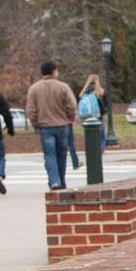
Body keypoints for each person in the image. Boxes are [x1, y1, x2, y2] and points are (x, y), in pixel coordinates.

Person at [25, 61, 79, 190]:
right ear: (54, 71)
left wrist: (35, 124)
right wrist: (70, 119)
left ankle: (54, 181)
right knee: (61, 154)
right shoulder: (63, 87)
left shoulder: (34, 89)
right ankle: (61, 181)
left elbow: (31, 110)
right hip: (62, 124)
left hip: (45, 126)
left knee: (49, 155)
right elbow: (72, 105)